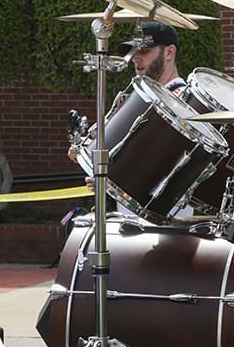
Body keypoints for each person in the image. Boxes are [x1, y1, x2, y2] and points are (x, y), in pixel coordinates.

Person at [68, 21, 194, 216]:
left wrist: (115, 177)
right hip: (130, 215)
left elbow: (167, 164)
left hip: (169, 218)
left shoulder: (185, 102)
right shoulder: (136, 99)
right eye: (134, 51)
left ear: (169, 53)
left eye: (144, 51)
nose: (135, 57)